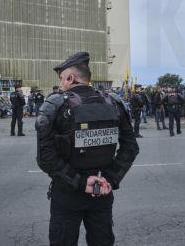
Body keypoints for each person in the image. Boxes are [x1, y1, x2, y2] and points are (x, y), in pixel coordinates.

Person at [35, 51, 139, 246]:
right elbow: (131, 147)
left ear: (71, 77)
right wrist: (109, 179)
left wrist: (81, 183)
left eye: (62, 79)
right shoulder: (114, 102)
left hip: (68, 192)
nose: (62, 84)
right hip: (102, 190)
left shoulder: (55, 104)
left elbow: (45, 157)